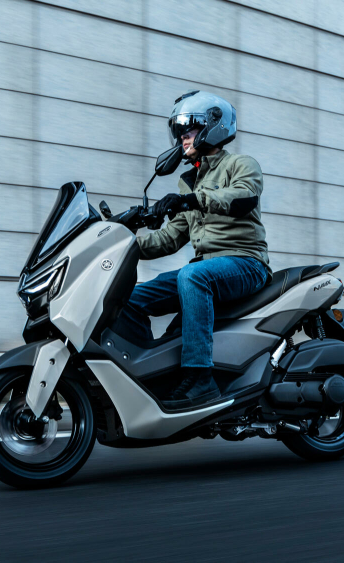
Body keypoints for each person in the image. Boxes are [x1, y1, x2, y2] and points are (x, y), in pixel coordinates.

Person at [116, 91, 270, 408]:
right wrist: (121, 244)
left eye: (189, 129)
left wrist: (191, 200)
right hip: (205, 271)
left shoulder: (240, 164)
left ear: (213, 127)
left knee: (192, 275)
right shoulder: (189, 182)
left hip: (246, 263)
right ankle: (152, 375)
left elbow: (243, 198)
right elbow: (169, 239)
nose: (182, 137)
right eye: (179, 132)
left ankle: (200, 379)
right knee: (127, 298)